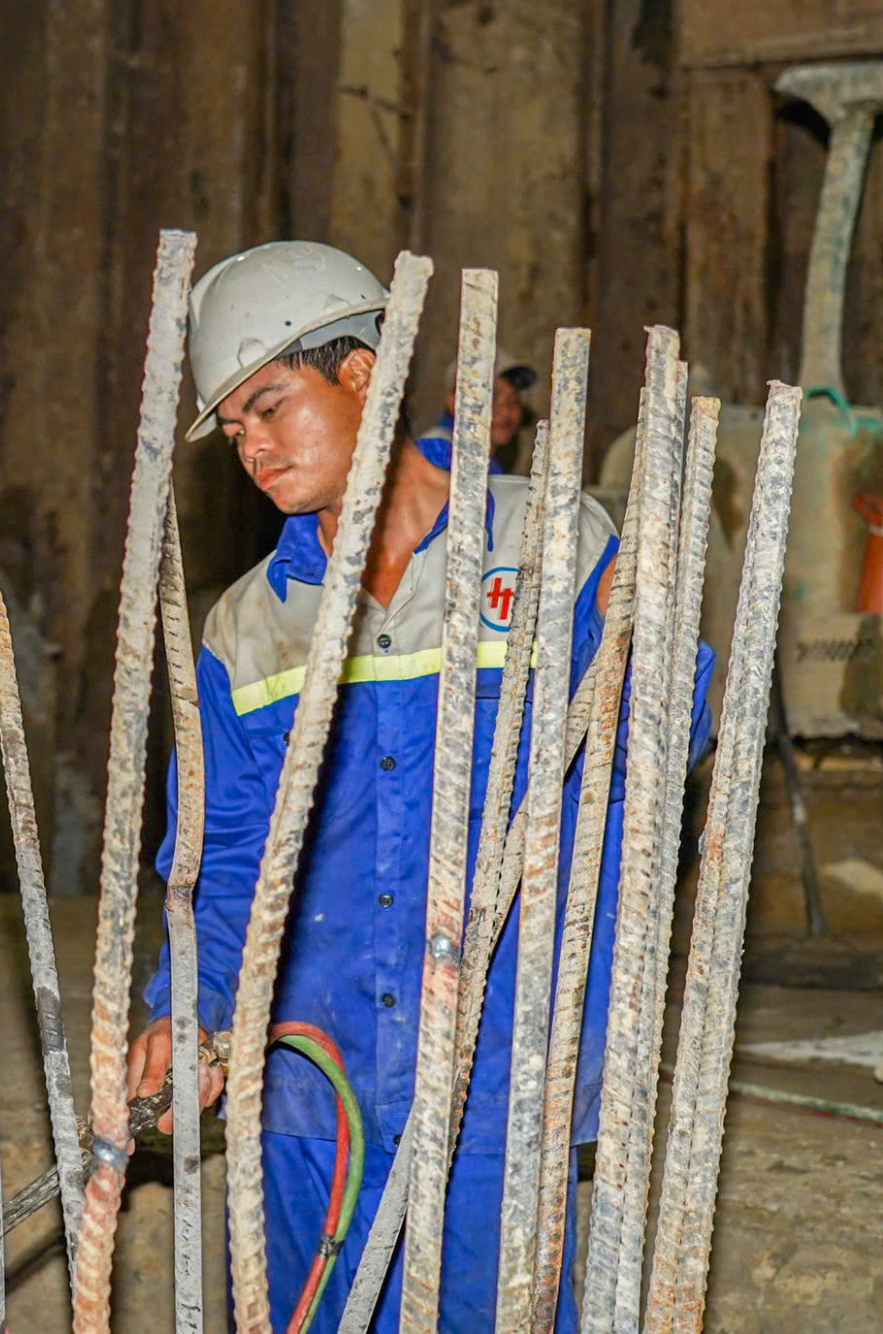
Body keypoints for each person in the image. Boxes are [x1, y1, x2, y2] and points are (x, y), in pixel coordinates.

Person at [122, 241, 710, 1331]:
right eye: (232, 429)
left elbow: (653, 752)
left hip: (496, 1071)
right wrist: (186, 1008)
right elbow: (221, 859)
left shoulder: (553, 548)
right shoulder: (247, 626)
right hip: (309, 1091)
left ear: (361, 375)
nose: (250, 447)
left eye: (268, 405)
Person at [416, 345, 535, 474]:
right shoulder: (436, 451)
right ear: (454, 401)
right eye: (492, 398)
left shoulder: (490, 464)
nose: (506, 412)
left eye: (513, 402)